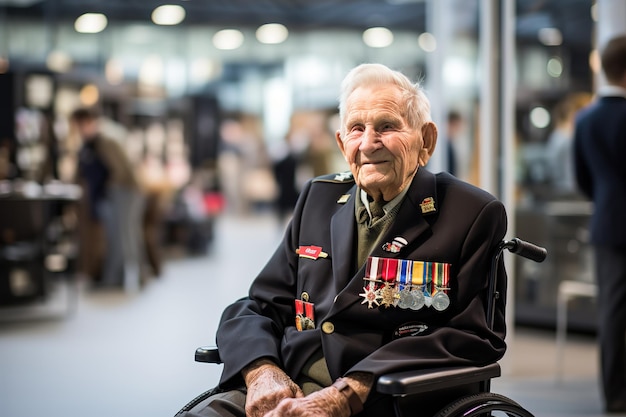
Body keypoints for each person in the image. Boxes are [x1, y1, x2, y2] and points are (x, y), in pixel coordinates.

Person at [180, 63, 508, 417]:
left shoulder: (470, 213)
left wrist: (351, 391)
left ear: (425, 140)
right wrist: (261, 371)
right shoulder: (318, 199)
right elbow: (258, 305)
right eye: (356, 128)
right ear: (341, 142)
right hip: (287, 385)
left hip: (384, 398)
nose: (368, 143)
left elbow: (474, 336)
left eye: (387, 126)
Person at [573, 35, 626, 414]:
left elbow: (582, 178)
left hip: (606, 223)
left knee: (612, 310)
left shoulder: (586, 118)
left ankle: (614, 394)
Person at [72, 107, 144, 291]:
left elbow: (119, 171)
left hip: (124, 192)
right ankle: (117, 277)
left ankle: (123, 278)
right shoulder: (91, 143)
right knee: (119, 236)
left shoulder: (105, 141)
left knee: (123, 236)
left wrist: (108, 190)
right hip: (117, 193)